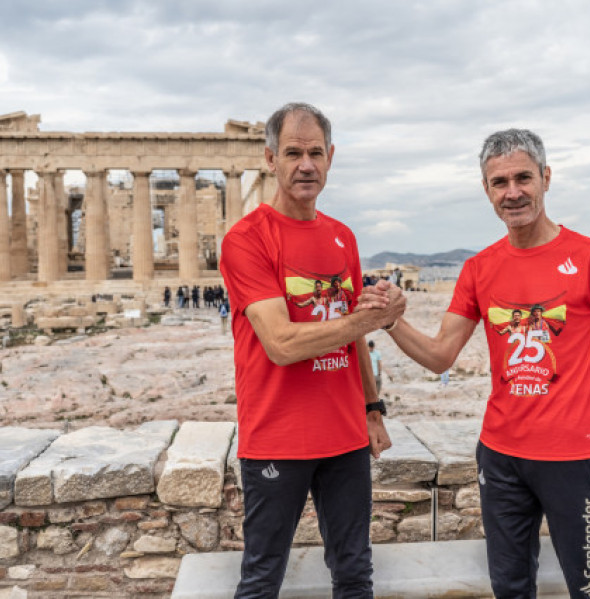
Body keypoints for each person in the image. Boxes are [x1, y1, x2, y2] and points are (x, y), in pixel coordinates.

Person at [373, 128, 590, 599]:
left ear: (546, 178)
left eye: (523, 178)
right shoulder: (479, 268)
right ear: (486, 189)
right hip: (501, 458)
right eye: (499, 182)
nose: (512, 192)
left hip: (575, 458)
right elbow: (440, 356)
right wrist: (391, 321)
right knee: (510, 587)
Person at [220, 102, 405, 598]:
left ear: (330, 158)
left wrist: (372, 408)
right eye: (294, 152)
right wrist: (368, 317)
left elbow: (354, 338)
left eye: (316, 153)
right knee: (262, 577)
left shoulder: (343, 237)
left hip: (344, 436)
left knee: (354, 573)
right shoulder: (246, 239)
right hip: (277, 435)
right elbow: (280, 344)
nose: (306, 164)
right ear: (270, 159)